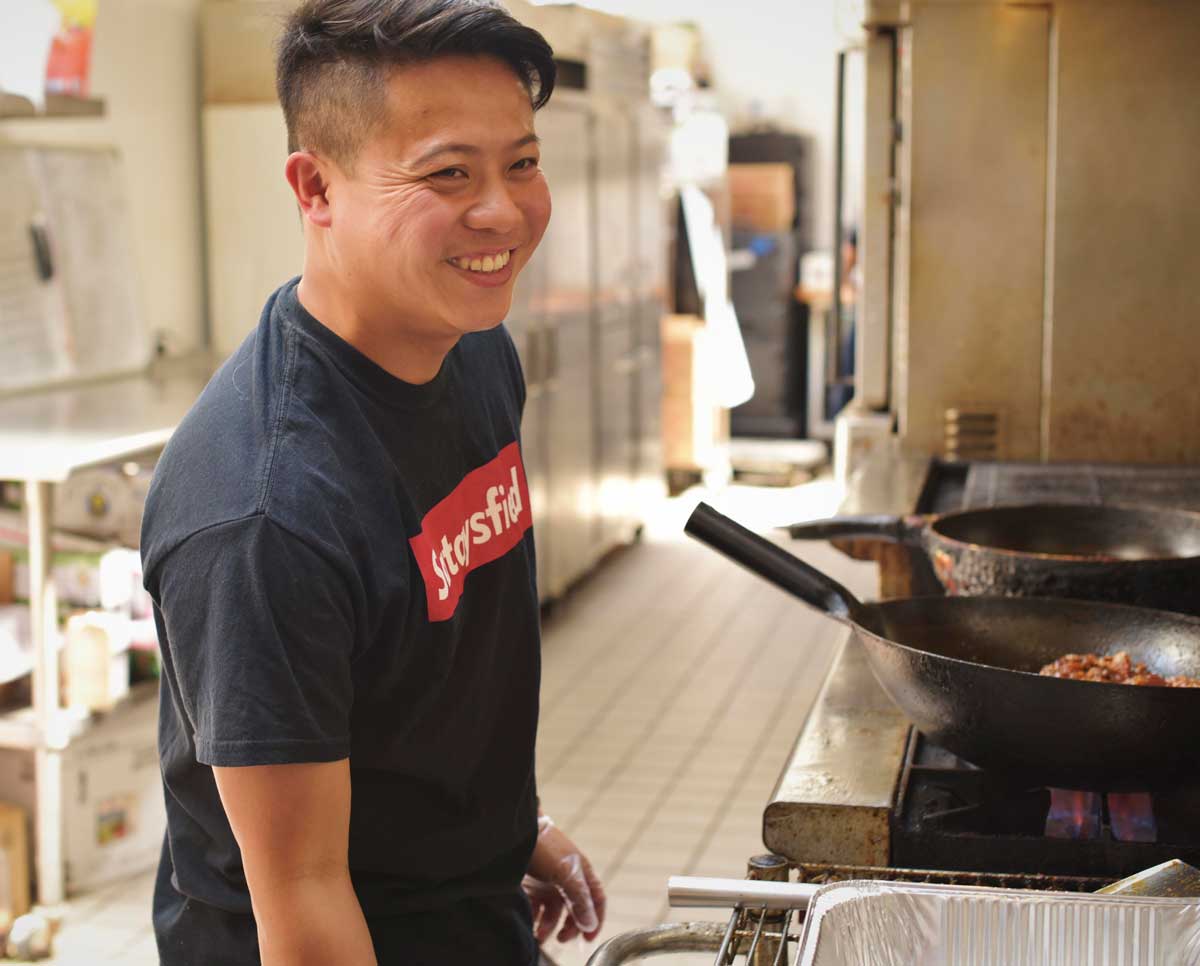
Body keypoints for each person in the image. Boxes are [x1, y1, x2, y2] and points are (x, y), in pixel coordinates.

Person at [140, 1, 605, 962]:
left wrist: (506, 832)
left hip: (457, 908)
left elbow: (427, 669)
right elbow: (302, 900)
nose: (504, 211)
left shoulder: (472, 352)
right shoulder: (266, 515)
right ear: (315, 187)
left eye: (520, 162)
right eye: (448, 174)